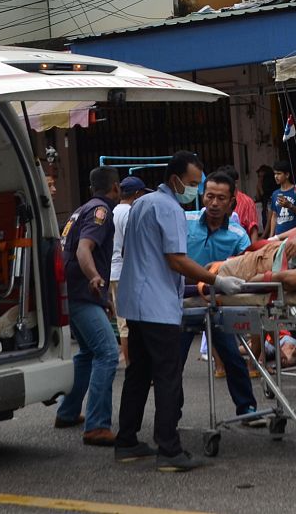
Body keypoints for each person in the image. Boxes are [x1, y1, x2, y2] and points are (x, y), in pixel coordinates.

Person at [114, 151, 245, 473]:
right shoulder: (170, 208)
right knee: (168, 376)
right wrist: (218, 281)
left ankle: (127, 441)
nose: (196, 192)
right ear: (175, 180)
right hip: (158, 305)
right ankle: (169, 450)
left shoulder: (142, 203)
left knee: (139, 373)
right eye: (192, 184)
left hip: (136, 300)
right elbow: (176, 259)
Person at [180, 171, 263, 425]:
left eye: (220, 198)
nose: (214, 203)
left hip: (218, 305)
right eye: (209, 196)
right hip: (182, 302)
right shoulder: (185, 221)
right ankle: (171, 415)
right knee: (172, 364)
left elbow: (246, 269)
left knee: (234, 359)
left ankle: (247, 410)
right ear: (202, 196)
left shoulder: (239, 235)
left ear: (231, 202)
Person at [54, 166, 121, 447]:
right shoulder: (100, 212)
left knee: (86, 354)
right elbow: (84, 249)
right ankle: (96, 426)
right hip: (82, 292)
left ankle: (68, 412)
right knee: (107, 353)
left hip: (74, 293)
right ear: (115, 187)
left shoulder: (81, 209)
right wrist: (95, 278)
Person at [109, 176, 151, 368]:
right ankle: (132, 365)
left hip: (112, 271)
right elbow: (131, 246)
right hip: (126, 272)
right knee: (129, 323)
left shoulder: (113, 211)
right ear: (137, 194)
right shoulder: (130, 212)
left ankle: (131, 364)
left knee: (122, 322)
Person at [216, 165, 260, 244]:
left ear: (235, 183)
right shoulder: (215, 200)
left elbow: (253, 230)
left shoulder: (247, 202)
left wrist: (253, 253)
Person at [268, 161, 296, 237]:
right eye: (275, 174)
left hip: (294, 235)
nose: (276, 176)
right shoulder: (275, 194)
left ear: (287, 175)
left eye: (279, 174)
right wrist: (271, 236)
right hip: (279, 235)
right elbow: (274, 216)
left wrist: (290, 206)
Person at [256, 164, 278, 237]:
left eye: (262, 177)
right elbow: (258, 197)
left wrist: (264, 236)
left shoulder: (273, 192)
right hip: (265, 213)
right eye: (259, 176)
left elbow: (271, 218)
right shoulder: (261, 185)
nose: (261, 179)